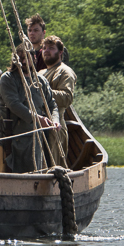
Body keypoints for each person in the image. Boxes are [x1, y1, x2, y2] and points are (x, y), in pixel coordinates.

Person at [0, 42, 58, 173]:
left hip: (35, 139)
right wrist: (37, 119)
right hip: (11, 138)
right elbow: (14, 104)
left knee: (35, 173)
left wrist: (55, 120)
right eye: (21, 57)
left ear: (34, 58)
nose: (24, 61)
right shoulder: (7, 79)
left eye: (27, 57)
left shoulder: (41, 81)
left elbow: (52, 104)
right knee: (6, 175)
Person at [41, 34, 75, 167]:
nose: (46, 51)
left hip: (55, 126)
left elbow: (67, 98)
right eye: (44, 48)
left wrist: (43, 92)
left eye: (51, 48)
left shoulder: (65, 72)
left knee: (54, 166)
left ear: (60, 52)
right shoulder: (40, 73)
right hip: (37, 125)